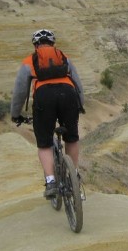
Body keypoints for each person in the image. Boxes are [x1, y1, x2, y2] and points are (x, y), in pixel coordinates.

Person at [10, 29, 85, 198]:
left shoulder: (29, 61)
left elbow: (20, 91)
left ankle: (50, 181)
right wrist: (80, 104)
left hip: (44, 98)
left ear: (35, 45)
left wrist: (16, 113)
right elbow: (77, 83)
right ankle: (74, 175)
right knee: (72, 137)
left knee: (44, 143)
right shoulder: (64, 57)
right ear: (53, 44)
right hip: (68, 95)